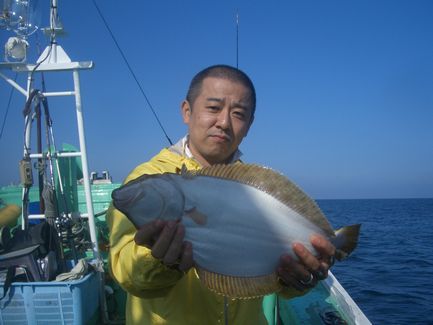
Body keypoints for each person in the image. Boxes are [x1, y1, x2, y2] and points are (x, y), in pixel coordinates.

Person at [107, 65, 335, 324]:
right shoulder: (146, 179)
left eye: (238, 114)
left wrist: (296, 280)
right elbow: (125, 272)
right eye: (213, 108)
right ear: (187, 111)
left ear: (249, 125)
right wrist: (157, 260)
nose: (224, 122)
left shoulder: (256, 189)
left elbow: (275, 278)